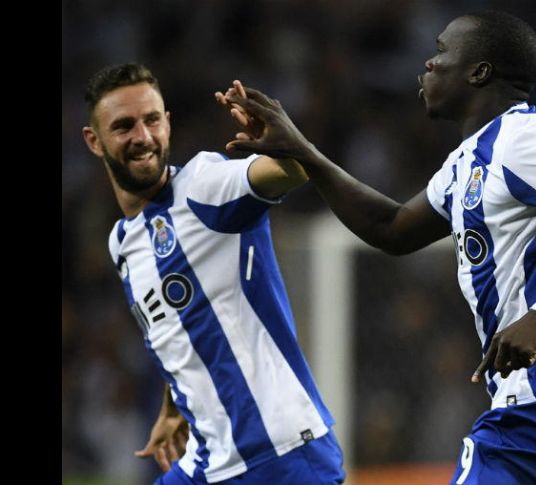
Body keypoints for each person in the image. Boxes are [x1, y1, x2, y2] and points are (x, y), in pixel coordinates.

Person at [218, 10, 536, 485]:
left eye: (440, 51)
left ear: (479, 72)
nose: (428, 65)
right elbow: (390, 227)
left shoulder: (526, 140)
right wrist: (304, 153)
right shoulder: (467, 163)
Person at [81, 63, 345, 485]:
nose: (143, 137)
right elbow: (184, 323)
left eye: (152, 120)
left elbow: (291, 172)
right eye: (124, 126)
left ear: (167, 123)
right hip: (210, 459)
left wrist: (279, 143)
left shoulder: (203, 186)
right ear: (94, 141)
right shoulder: (122, 242)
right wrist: (173, 406)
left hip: (280, 456)